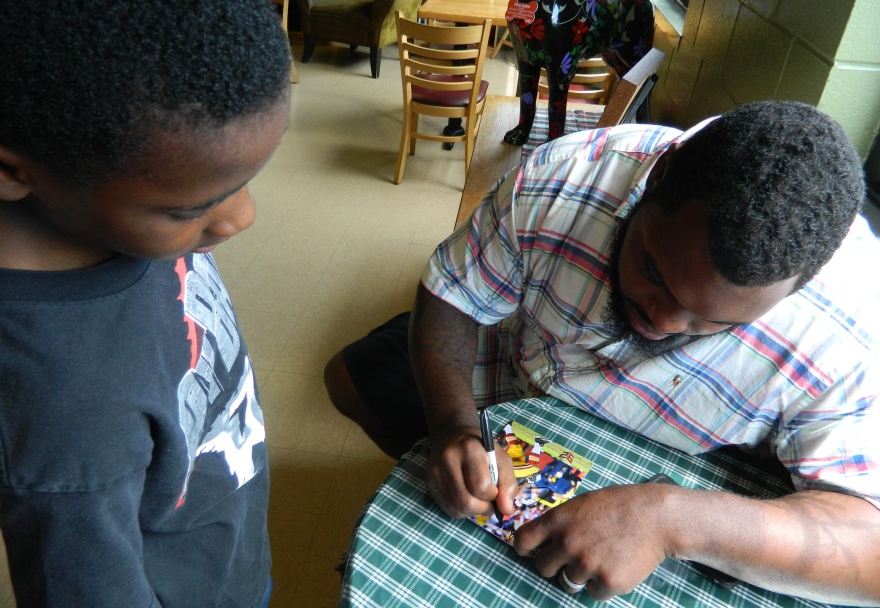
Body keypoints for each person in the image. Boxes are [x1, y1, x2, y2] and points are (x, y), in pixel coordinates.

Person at [324, 100, 880, 605]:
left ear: (798, 289)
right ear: (655, 180)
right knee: (353, 378)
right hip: (518, 374)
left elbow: (870, 549)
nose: (661, 323)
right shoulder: (563, 177)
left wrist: (671, 518)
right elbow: (452, 294)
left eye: (713, 321)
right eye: (652, 271)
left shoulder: (852, 330)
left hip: (684, 473)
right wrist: (452, 429)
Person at [0, 0, 291, 605]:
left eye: (243, 183)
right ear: (15, 172)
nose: (242, 217)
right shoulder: (64, 422)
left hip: (224, 547)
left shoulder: (120, 204)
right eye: (190, 208)